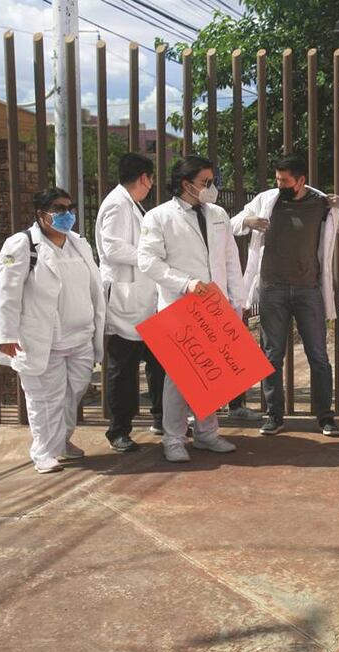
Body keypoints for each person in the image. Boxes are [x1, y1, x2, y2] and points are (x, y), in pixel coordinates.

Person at [230, 154, 339, 437]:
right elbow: (232, 224)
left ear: (301, 180)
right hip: (271, 288)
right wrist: (249, 221)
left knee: (318, 355)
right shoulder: (266, 200)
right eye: (277, 179)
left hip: (308, 289)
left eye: (285, 181)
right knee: (272, 355)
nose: (280, 185)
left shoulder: (321, 203)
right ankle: (274, 415)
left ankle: (325, 417)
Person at [138, 156, 246, 463]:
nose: (212, 188)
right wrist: (184, 283)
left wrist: (237, 301)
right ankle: (173, 438)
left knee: (210, 372)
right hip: (179, 304)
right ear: (186, 184)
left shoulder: (218, 214)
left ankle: (206, 433)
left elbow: (229, 260)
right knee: (179, 377)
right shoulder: (158, 217)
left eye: (213, 181)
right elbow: (148, 261)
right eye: (206, 183)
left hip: (214, 306)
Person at [0, 188, 106, 473]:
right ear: (41, 213)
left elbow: (93, 286)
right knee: (46, 398)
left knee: (74, 393)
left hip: (80, 336)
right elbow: (6, 292)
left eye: (70, 208)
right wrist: (6, 335)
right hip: (42, 338)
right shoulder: (21, 245)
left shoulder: (78, 243)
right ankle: (43, 451)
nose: (66, 214)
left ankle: (61, 441)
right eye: (58, 208)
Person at [95, 153, 165, 452]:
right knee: (123, 368)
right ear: (144, 177)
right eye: (150, 178)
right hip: (125, 300)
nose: (151, 185)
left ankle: (162, 418)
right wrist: (150, 257)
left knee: (159, 363)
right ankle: (118, 430)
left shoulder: (130, 203)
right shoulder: (116, 204)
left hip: (143, 299)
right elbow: (111, 248)